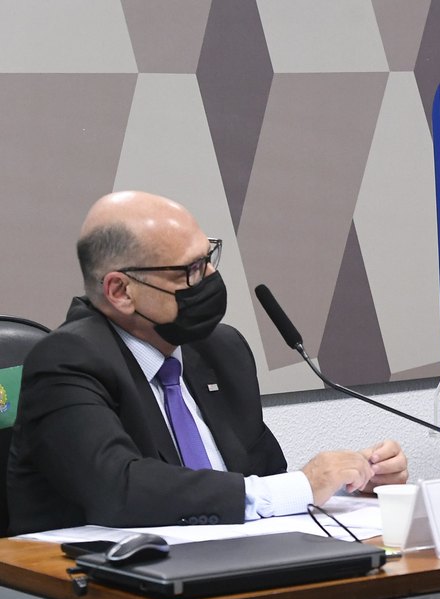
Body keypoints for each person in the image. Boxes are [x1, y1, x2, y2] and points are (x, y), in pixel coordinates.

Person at [6, 191, 408, 535]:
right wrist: (303, 485)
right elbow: (119, 489)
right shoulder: (66, 362)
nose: (211, 277)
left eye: (208, 257)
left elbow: (264, 481)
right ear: (121, 291)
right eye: (191, 270)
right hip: (97, 587)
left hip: (230, 564)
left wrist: (346, 485)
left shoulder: (222, 350)